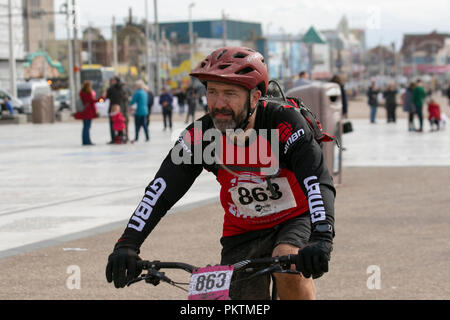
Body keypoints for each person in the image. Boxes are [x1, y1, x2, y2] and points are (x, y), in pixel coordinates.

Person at [105, 46, 336, 300]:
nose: (218, 103)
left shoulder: (283, 122)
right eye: (212, 92)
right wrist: (128, 243)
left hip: (295, 217)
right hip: (243, 230)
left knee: (288, 264)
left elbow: (316, 180)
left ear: (255, 97)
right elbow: (160, 192)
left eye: (229, 93)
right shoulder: (201, 136)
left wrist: (321, 236)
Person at [76, 80, 99, 146]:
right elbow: (92, 101)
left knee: (85, 127)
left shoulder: (82, 93)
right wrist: (101, 99)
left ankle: (85, 141)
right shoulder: (87, 93)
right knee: (87, 127)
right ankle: (87, 141)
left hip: (85, 111)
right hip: (87, 112)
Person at [106, 77, 128, 144]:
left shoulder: (111, 89)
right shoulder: (123, 89)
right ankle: (124, 137)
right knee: (122, 124)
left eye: (113, 80)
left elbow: (107, 96)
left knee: (112, 124)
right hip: (121, 109)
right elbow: (125, 99)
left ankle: (114, 138)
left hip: (113, 109)